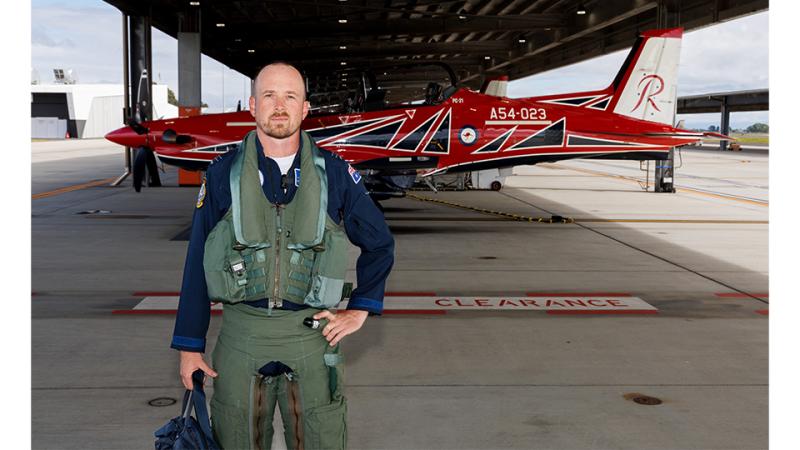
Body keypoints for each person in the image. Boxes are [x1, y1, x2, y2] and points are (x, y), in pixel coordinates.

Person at [171, 62, 394, 450]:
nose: (279, 105)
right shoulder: (222, 175)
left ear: (305, 109)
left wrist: (360, 307)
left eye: (290, 96)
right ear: (254, 106)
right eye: (270, 96)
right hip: (241, 338)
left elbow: (380, 243)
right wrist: (190, 347)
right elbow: (196, 262)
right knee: (235, 438)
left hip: (309, 337)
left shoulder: (336, 174)